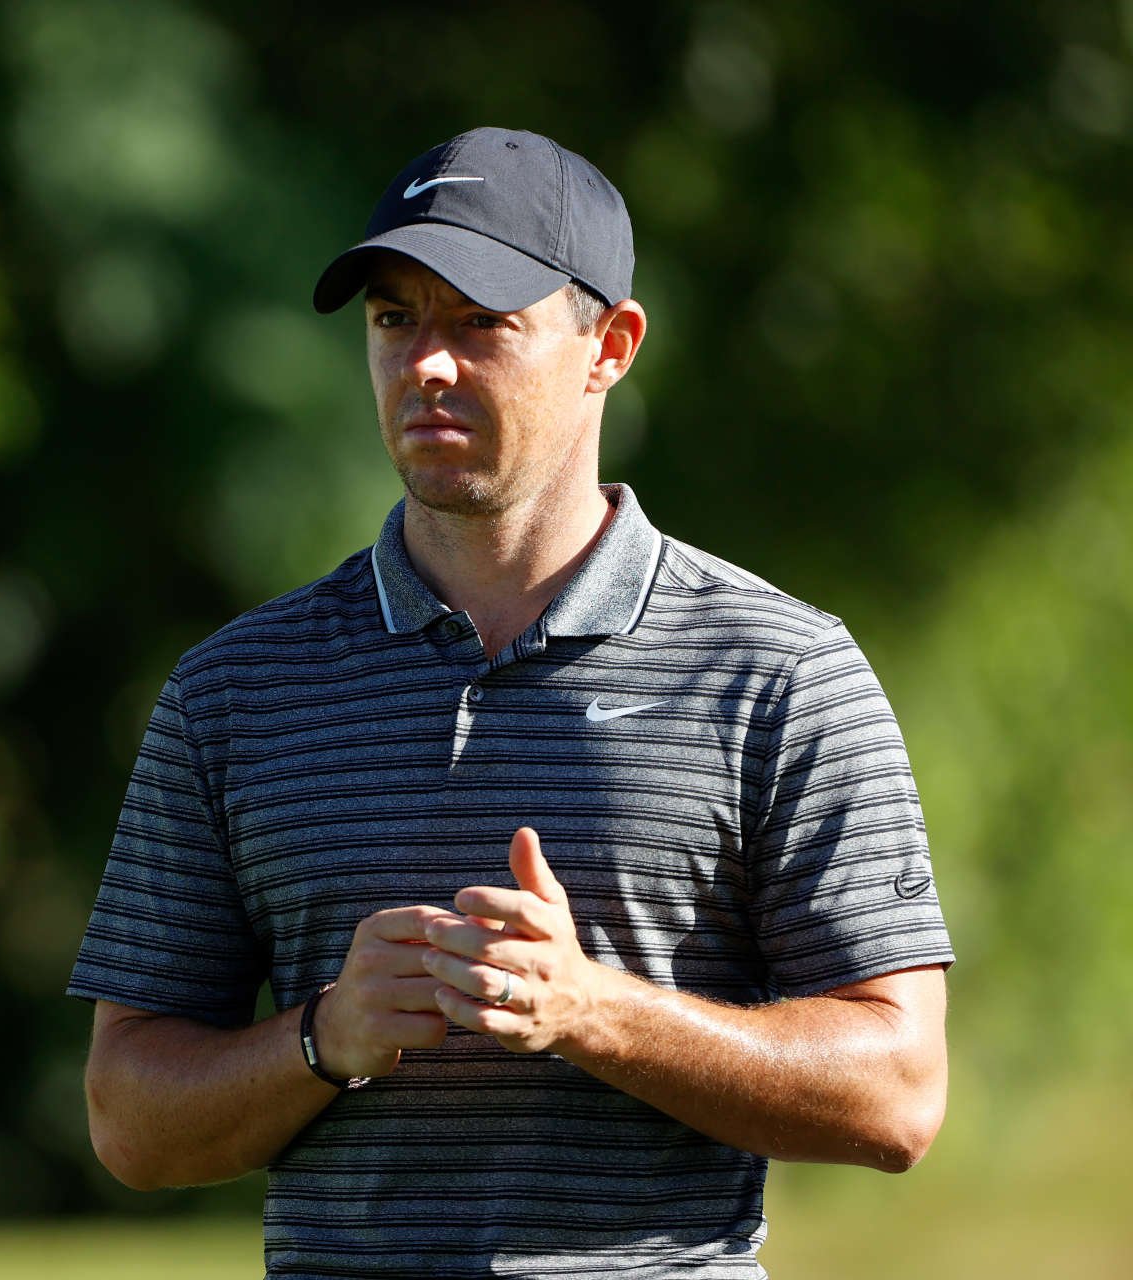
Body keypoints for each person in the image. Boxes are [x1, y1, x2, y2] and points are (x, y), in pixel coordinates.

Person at [66, 126, 952, 1279]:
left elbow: (898, 1092)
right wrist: (321, 1039)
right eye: (395, 319)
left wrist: (590, 1010)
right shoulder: (237, 689)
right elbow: (128, 1117)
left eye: (482, 322)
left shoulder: (778, 671)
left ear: (610, 345)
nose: (427, 363)